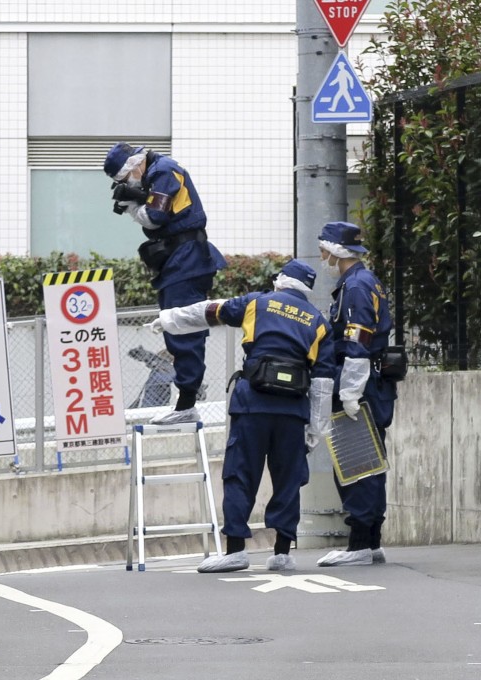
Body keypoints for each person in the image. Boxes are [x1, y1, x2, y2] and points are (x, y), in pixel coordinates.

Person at [146, 259, 336, 572]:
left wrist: (168, 320)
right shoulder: (318, 322)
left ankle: (235, 550)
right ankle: (282, 553)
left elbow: (209, 311)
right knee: (288, 480)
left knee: (240, 475)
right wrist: (316, 429)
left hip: (253, 405)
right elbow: (322, 382)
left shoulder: (257, 304)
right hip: (292, 411)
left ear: (280, 281)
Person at [104, 142, 227, 425]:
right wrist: (137, 199)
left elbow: (154, 217)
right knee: (177, 328)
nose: (127, 183)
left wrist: (133, 203)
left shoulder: (164, 170)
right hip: (179, 260)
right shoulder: (156, 172)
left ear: (133, 165)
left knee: (184, 328)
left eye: (125, 179)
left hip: (187, 260)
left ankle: (186, 404)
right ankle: (185, 402)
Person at [315, 221, 397, 567]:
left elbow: (357, 343)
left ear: (335, 251)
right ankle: (370, 541)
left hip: (361, 384)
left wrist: (349, 392)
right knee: (369, 463)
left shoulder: (357, 287)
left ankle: (360, 544)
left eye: (324, 249)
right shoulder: (363, 281)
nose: (321, 255)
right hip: (372, 383)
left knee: (356, 463)